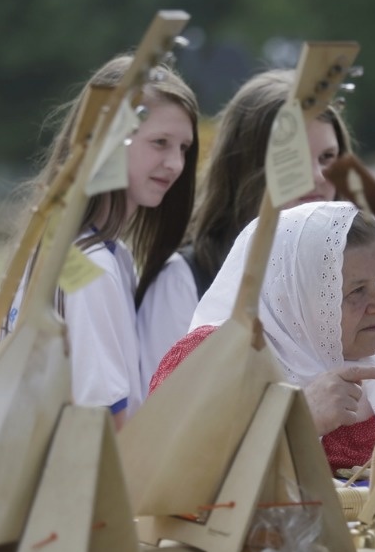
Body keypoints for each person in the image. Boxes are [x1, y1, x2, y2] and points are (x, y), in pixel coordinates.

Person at [149, 201, 375, 474]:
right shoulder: (211, 359)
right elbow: (156, 475)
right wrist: (298, 421)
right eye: (356, 290)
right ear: (295, 298)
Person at [5, 54, 200, 428]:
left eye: (184, 148)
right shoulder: (91, 265)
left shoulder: (88, 249)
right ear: (109, 140)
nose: (175, 163)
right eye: (159, 142)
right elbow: (107, 420)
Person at [136, 68, 353, 397]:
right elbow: (166, 425)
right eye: (292, 158)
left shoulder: (341, 278)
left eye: (327, 157)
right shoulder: (184, 281)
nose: (316, 177)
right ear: (247, 166)